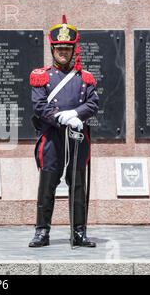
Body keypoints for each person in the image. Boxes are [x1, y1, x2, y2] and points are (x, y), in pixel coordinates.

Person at [28, 15, 99, 248]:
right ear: (52, 48)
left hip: (77, 138)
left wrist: (77, 114)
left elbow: (93, 104)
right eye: (59, 48)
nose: (63, 52)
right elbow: (39, 106)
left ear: (73, 50)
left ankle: (79, 232)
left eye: (67, 49)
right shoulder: (42, 76)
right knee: (47, 184)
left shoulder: (85, 78)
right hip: (52, 137)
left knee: (78, 184)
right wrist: (60, 117)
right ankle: (41, 232)